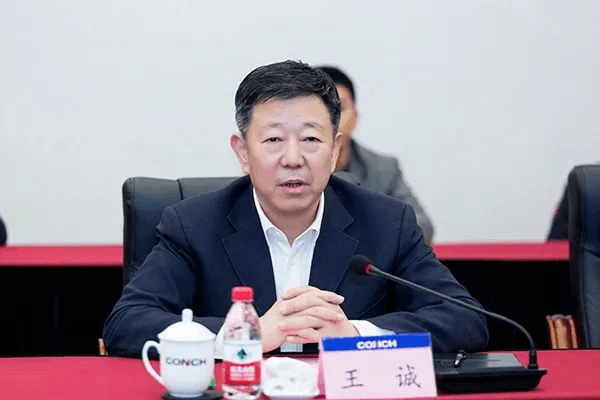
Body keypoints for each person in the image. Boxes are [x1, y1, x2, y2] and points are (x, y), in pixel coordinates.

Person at [103, 60, 487, 357]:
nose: (292, 158)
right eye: (273, 139)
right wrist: (248, 333)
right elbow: (127, 323)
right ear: (243, 152)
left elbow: (466, 320)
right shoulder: (193, 225)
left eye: (310, 139)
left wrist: (354, 335)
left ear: (335, 150)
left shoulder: (387, 223)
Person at [317, 66, 435, 242]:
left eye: (339, 108)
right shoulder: (288, 166)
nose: (331, 119)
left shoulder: (383, 170)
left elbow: (422, 226)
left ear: (355, 118)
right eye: (321, 109)